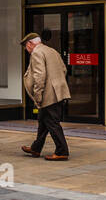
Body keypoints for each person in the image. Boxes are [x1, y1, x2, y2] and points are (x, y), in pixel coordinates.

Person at [20, 31, 72, 161]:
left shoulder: (37, 52)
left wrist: (38, 96)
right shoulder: (52, 51)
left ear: (30, 43)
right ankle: (36, 148)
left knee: (52, 123)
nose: (26, 50)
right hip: (58, 92)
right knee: (43, 121)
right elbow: (64, 69)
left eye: (26, 47)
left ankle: (62, 151)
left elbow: (39, 76)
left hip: (48, 94)